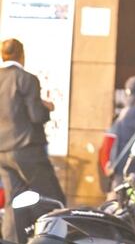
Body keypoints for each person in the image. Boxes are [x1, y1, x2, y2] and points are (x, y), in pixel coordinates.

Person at [0, 38, 65, 242]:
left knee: (13, 202)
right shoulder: (27, 79)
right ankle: (51, 239)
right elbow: (36, 115)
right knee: (51, 198)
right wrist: (47, 108)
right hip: (27, 148)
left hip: (2, 150)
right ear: (22, 55)